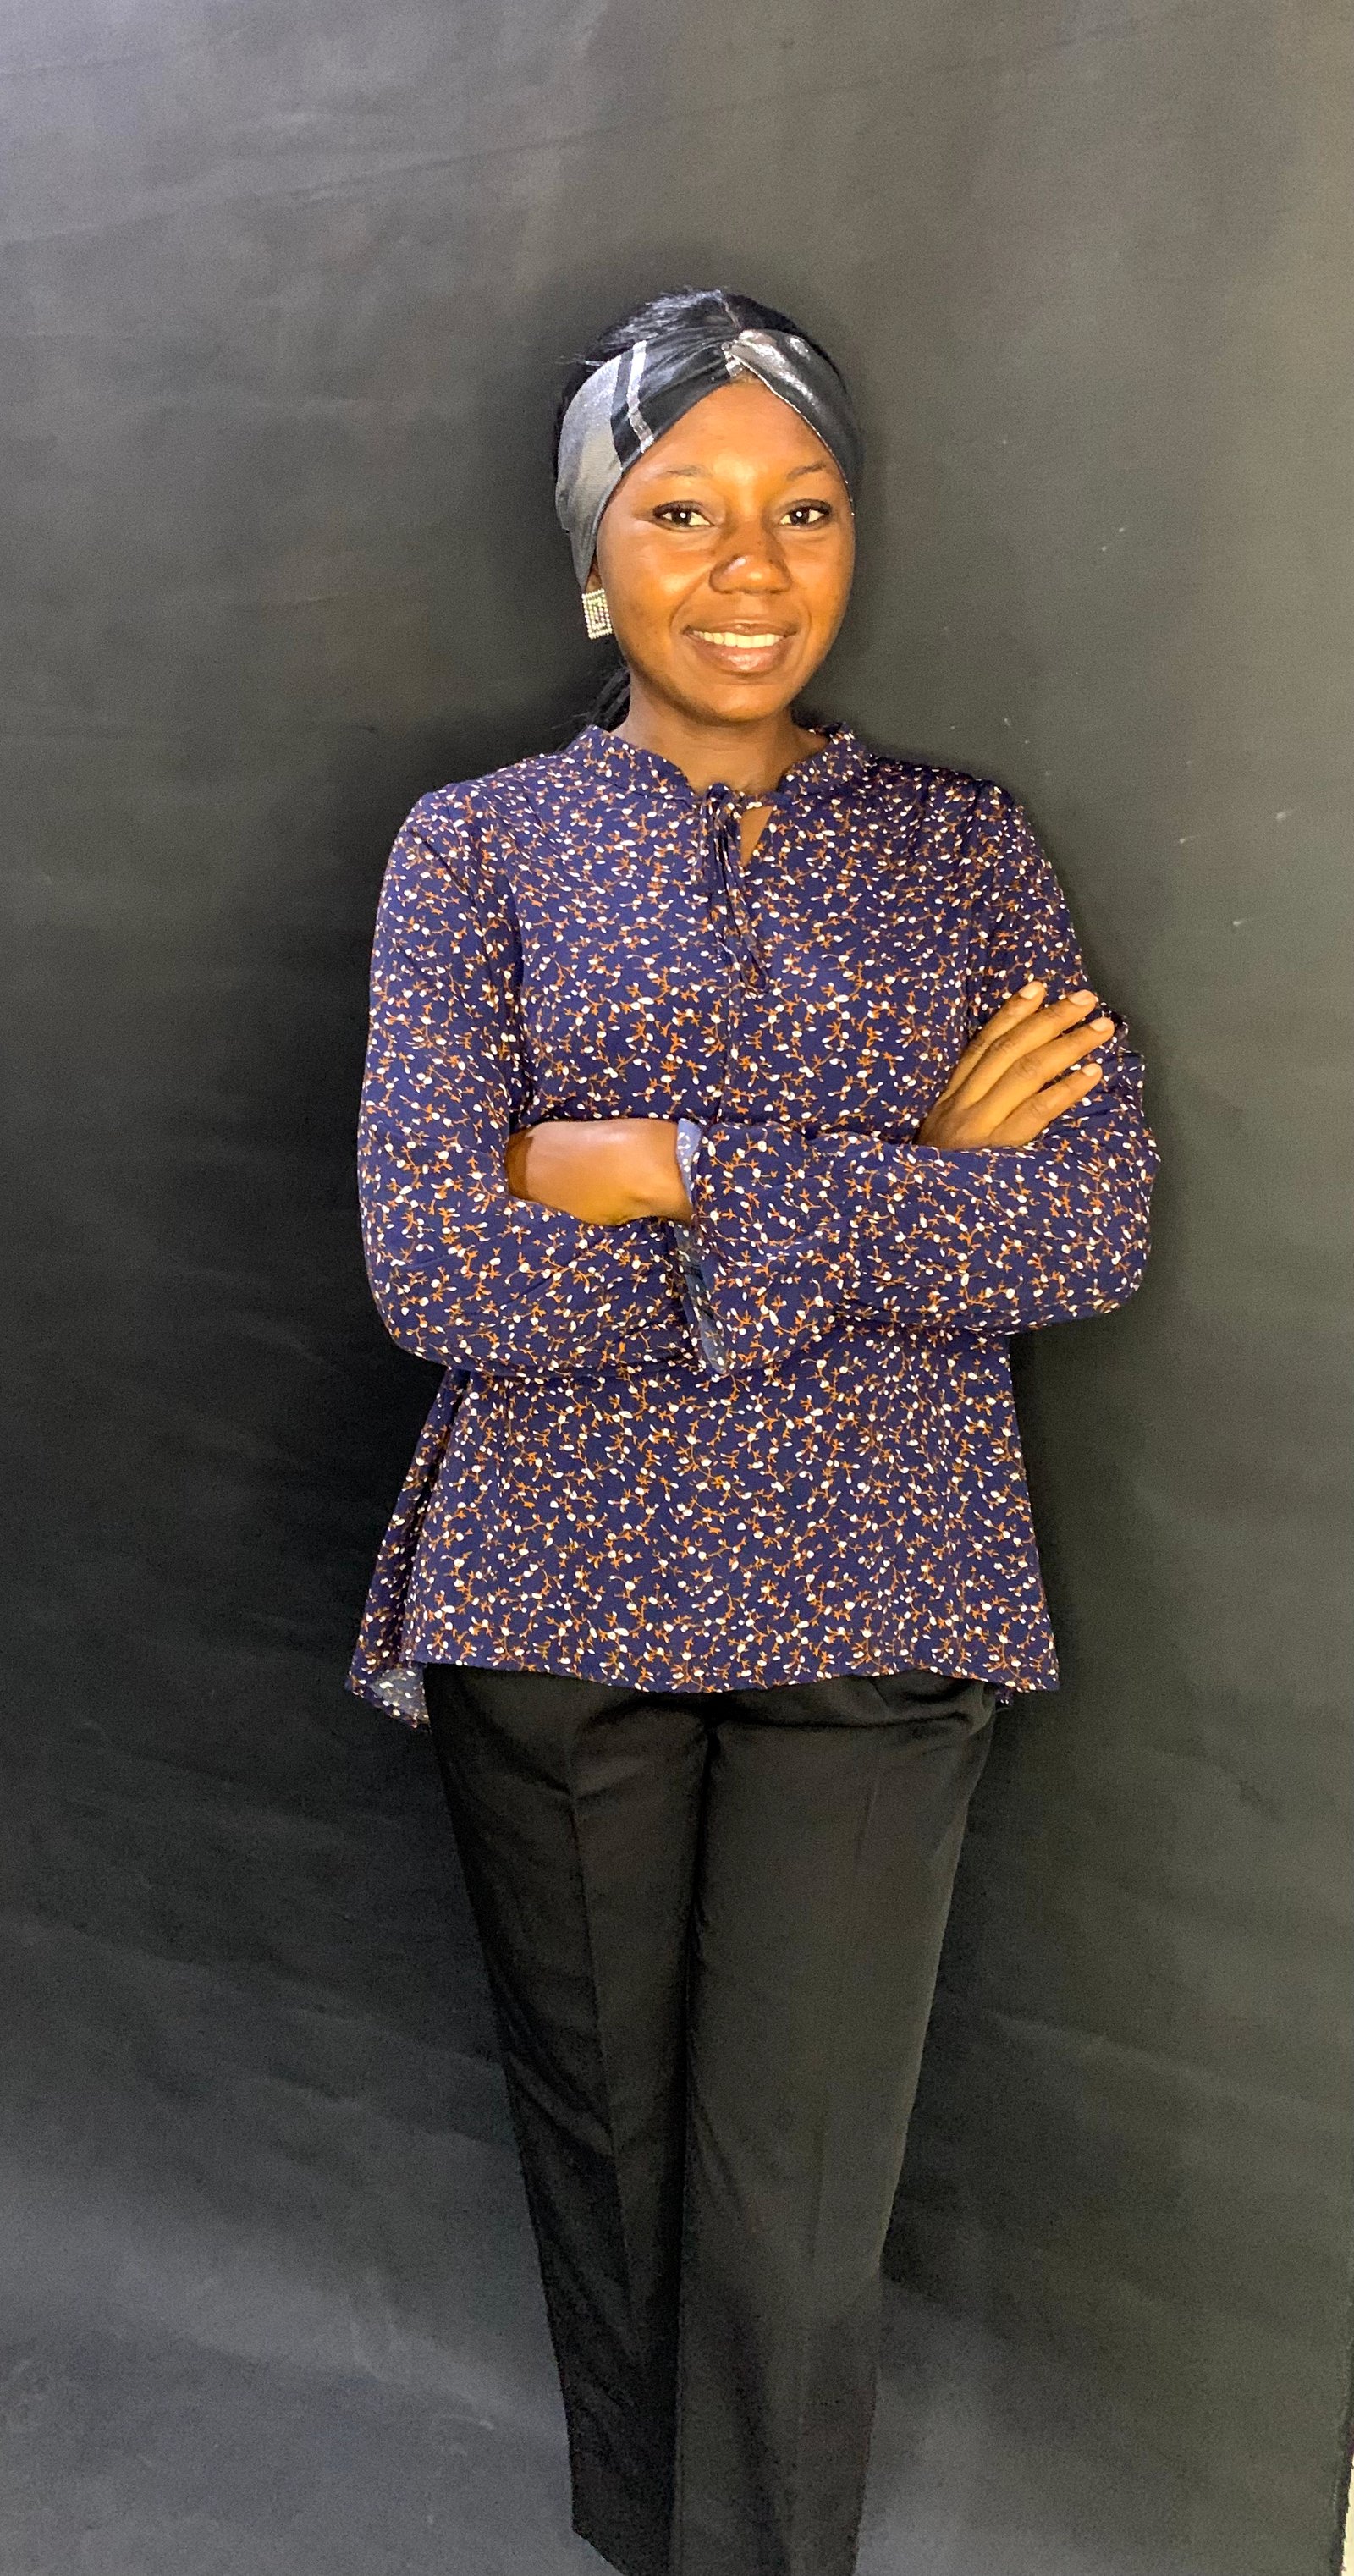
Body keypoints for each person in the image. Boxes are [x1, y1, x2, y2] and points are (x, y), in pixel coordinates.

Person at [348, 286, 1158, 2576]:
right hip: (552, 1601)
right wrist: (905, 1184)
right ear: (593, 559)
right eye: (681, 510)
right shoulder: (474, 850)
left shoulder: (966, 850)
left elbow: (1086, 1222)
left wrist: (671, 1165)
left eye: (802, 510)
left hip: (879, 1598)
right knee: (608, 2174)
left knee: (792, 2223)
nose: (747, 566)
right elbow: (436, 1268)